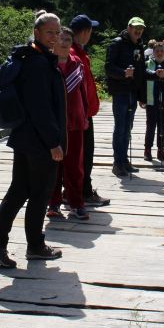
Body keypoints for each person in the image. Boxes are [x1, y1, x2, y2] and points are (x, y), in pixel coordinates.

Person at [0, 11, 65, 268]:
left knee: (19, 190)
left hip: (24, 137)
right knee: (40, 193)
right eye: (49, 32)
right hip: (39, 141)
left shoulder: (32, 57)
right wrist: (53, 142)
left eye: (57, 32)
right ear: (37, 32)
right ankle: (35, 246)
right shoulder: (38, 63)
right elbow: (40, 108)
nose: (54, 37)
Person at [47, 27, 90, 221]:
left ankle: (76, 204)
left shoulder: (77, 63)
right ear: (55, 40)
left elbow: (83, 91)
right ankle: (53, 202)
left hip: (75, 121)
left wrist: (85, 115)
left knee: (75, 166)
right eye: (61, 38)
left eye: (68, 40)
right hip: (54, 123)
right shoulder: (48, 63)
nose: (64, 42)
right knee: (54, 164)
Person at [69, 14, 110, 206]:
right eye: (90, 30)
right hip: (81, 114)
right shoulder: (75, 54)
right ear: (85, 32)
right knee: (84, 156)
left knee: (80, 155)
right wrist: (84, 113)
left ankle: (73, 190)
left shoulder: (77, 52)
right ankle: (84, 191)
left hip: (83, 112)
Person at [105, 17, 147, 177]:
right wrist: (123, 73)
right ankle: (117, 163)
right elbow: (108, 68)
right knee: (120, 128)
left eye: (141, 28)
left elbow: (141, 71)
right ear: (129, 28)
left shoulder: (139, 46)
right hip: (120, 92)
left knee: (128, 127)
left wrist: (143, 95)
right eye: (136, 28)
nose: (138, 31)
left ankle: (124, 161)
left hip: (132, 93)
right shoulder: (116, 43)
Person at [143, 42, 164, 162]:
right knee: (150, 126)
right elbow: (142, 82)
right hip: (151, 99)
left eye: (162, 51)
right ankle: (147, 150)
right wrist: (142, 98)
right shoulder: (147, 64)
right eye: (157, 51)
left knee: (162, 126)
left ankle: (161, 150)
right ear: (153, 52)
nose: (159, 53)